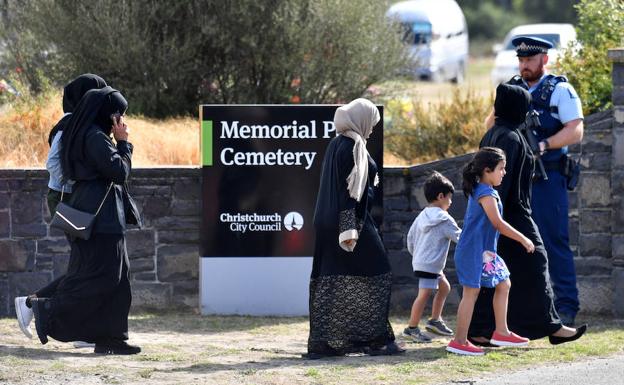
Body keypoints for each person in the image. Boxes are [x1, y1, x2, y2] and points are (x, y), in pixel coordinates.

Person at [23, 86, 142, 355]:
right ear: (108, 115)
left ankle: (111, 338)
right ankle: (47, 308)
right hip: (101, 219)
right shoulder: (94, 137)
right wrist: (123, 142)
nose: (121, 122)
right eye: (118, 116)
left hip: (100, 214)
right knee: (99, 278)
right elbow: (119, 171)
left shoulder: (88, 134)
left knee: (119, 278)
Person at [471, 83, 587, 346]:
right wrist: (503, 220)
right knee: (535, 262)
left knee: (498, 273)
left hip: (501, 212)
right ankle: (549, 326)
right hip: (511, 212)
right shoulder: (510, 138)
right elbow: (503, 182)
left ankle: (484, 329)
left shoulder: (493, 134)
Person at [485, 36, 584, 326]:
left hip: (547, 176)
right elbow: (490, 125)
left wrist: (543, 145)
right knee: (513, 243)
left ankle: (566, 306)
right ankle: (518, 310)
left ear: (544, 60)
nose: (524, 65)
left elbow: (576, 130)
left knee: (553, 241)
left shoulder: (560, 90)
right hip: (515, 179)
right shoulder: (512, 89)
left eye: (530, 60)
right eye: (521, 60)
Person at [305, 98, 403, 358]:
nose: (372, 128)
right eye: (371, 123)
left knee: (331, 278)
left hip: (329, 222)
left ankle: (325, 343)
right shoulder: (351, 147)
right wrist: (350, 230)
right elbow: (348, 192)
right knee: (379, 271)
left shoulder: (339, 143)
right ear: (361, 120)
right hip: (350, 223)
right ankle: (376, 340)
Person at [14, 74, 107, 343]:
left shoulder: (86, 125)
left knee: (86, 266)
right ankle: (34, 305)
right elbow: (53, 166)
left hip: (75, 199)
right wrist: (80, 181)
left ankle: (74, 326)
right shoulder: (69, 125)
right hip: (67, 200)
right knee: (88, 266)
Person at [446, 147, 534, 356]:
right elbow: (498, 223)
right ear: (487, 170)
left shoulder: (483, 189)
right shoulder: (485, 193)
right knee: (471, 293)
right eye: (501, 168)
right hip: (473, 252)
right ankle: (459, 341)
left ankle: (501, 332)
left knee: (504, 283)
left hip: (485, 253)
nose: (504, 172)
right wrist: (523, 238)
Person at [403, 171, 461, 343]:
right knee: (424, 294)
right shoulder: (445, 219)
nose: (450, 202)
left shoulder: (422, 215)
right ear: (441, 196)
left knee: (445, 288)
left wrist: (418, 257)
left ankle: (435, 321)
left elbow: (410, 239)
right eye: (449, 198)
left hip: (424, 262)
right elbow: (460, 238)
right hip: (430, 264)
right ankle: (411, 328)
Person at [46, 74, 108, 214]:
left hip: (75, 195)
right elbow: (52, 163)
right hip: (64, 195)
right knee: (80, 234)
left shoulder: (83, 122)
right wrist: (75, 183)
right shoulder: (68, 124)